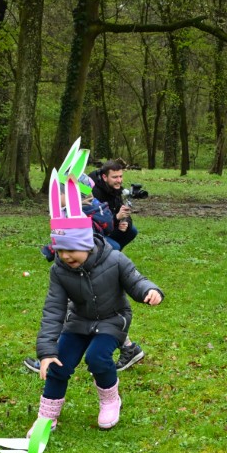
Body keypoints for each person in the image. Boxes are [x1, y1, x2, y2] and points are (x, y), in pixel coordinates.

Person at [29, 170, 163, 434]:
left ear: (87, 244)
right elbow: (53, 310)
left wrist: (150, 291)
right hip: (79, 321)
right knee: (59, 363)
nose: (66, 256)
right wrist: (46, 352)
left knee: (97, 357)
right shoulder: (60, 270)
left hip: (113, 319)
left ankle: (110, 400)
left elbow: (135, 280)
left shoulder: (114, 259)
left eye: (71, 250)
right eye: (60, 250)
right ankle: (47, 416)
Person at [92, 158, 146, 370]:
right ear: (104, 177)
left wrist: (123, 222)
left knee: (85, 304)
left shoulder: (114, 191)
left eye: (121, 176)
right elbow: (100, 223)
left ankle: (50, 358)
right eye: (115, 177)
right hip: (94, 245)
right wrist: (115, 219)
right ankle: (129, 347)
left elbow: (112, 220)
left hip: (96, 253)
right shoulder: (93, 194)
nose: (119, 180)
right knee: (80, 304)